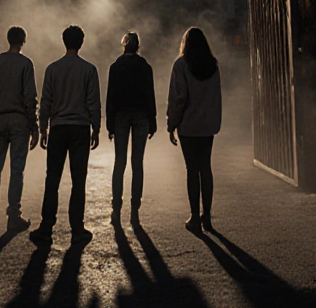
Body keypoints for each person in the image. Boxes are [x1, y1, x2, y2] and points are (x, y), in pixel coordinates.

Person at [30, 24, 101, 245]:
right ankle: (77, 228)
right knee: (78, 180)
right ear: (81, 43)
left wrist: (43, 128)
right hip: (80, 128)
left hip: (58, 128)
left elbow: (46, 101)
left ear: (64, 41)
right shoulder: (89, 70)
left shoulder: (52, 69)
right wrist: (96, 128)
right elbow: (93, 102)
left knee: (53, 178)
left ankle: (46, 226)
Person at [0, 26, 39, 232]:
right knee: (17, 169)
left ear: (8, 39)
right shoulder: (26, 64)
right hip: (19, 122)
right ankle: (13, 215)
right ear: (23, 41)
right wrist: (34, 126)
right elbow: (29, 98)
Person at [167, 27, 222, 234]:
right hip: (208, 125)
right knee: (206, 168)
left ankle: (194, 217)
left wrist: (171, 123)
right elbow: (216, 96)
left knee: (192, 170)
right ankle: (206, 216)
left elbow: (178, 98)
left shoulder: (181, 65)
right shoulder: (212, 66)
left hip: (188, 126)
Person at [105, 30, 157, 225]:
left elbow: (111, 98)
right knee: (138, 163)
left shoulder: (115, 67)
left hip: (120, 116)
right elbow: (149, 95)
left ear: (124, 45)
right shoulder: (145, 67)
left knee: (120, 162)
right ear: (138, 47)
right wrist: (153, 120)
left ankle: (116, 207)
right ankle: (135, 209)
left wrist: (109, 123)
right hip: (141, 116)